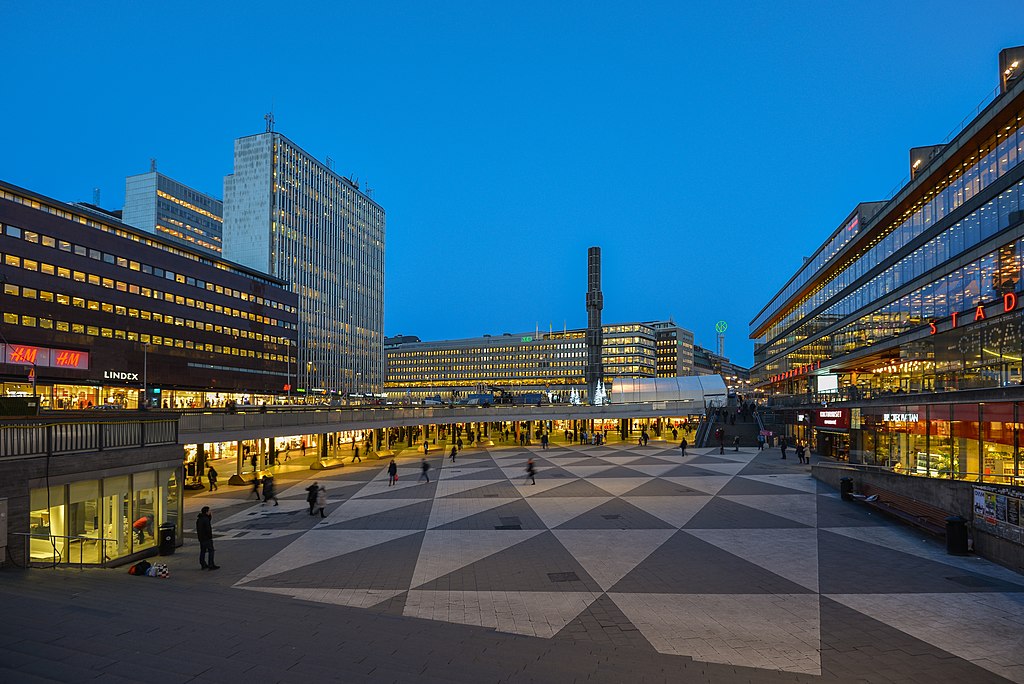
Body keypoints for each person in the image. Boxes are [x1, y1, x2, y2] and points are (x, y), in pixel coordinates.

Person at [196, 506, 219, 570]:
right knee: (211, 551)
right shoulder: (206, 520)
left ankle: (203, 564)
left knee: (202, 551)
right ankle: (211, 564)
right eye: (209, 511)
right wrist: (210, 537)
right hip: (206, 538)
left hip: (201, 538)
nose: (210, 512)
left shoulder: (199, 519)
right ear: (206, 512)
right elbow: (208, 529)